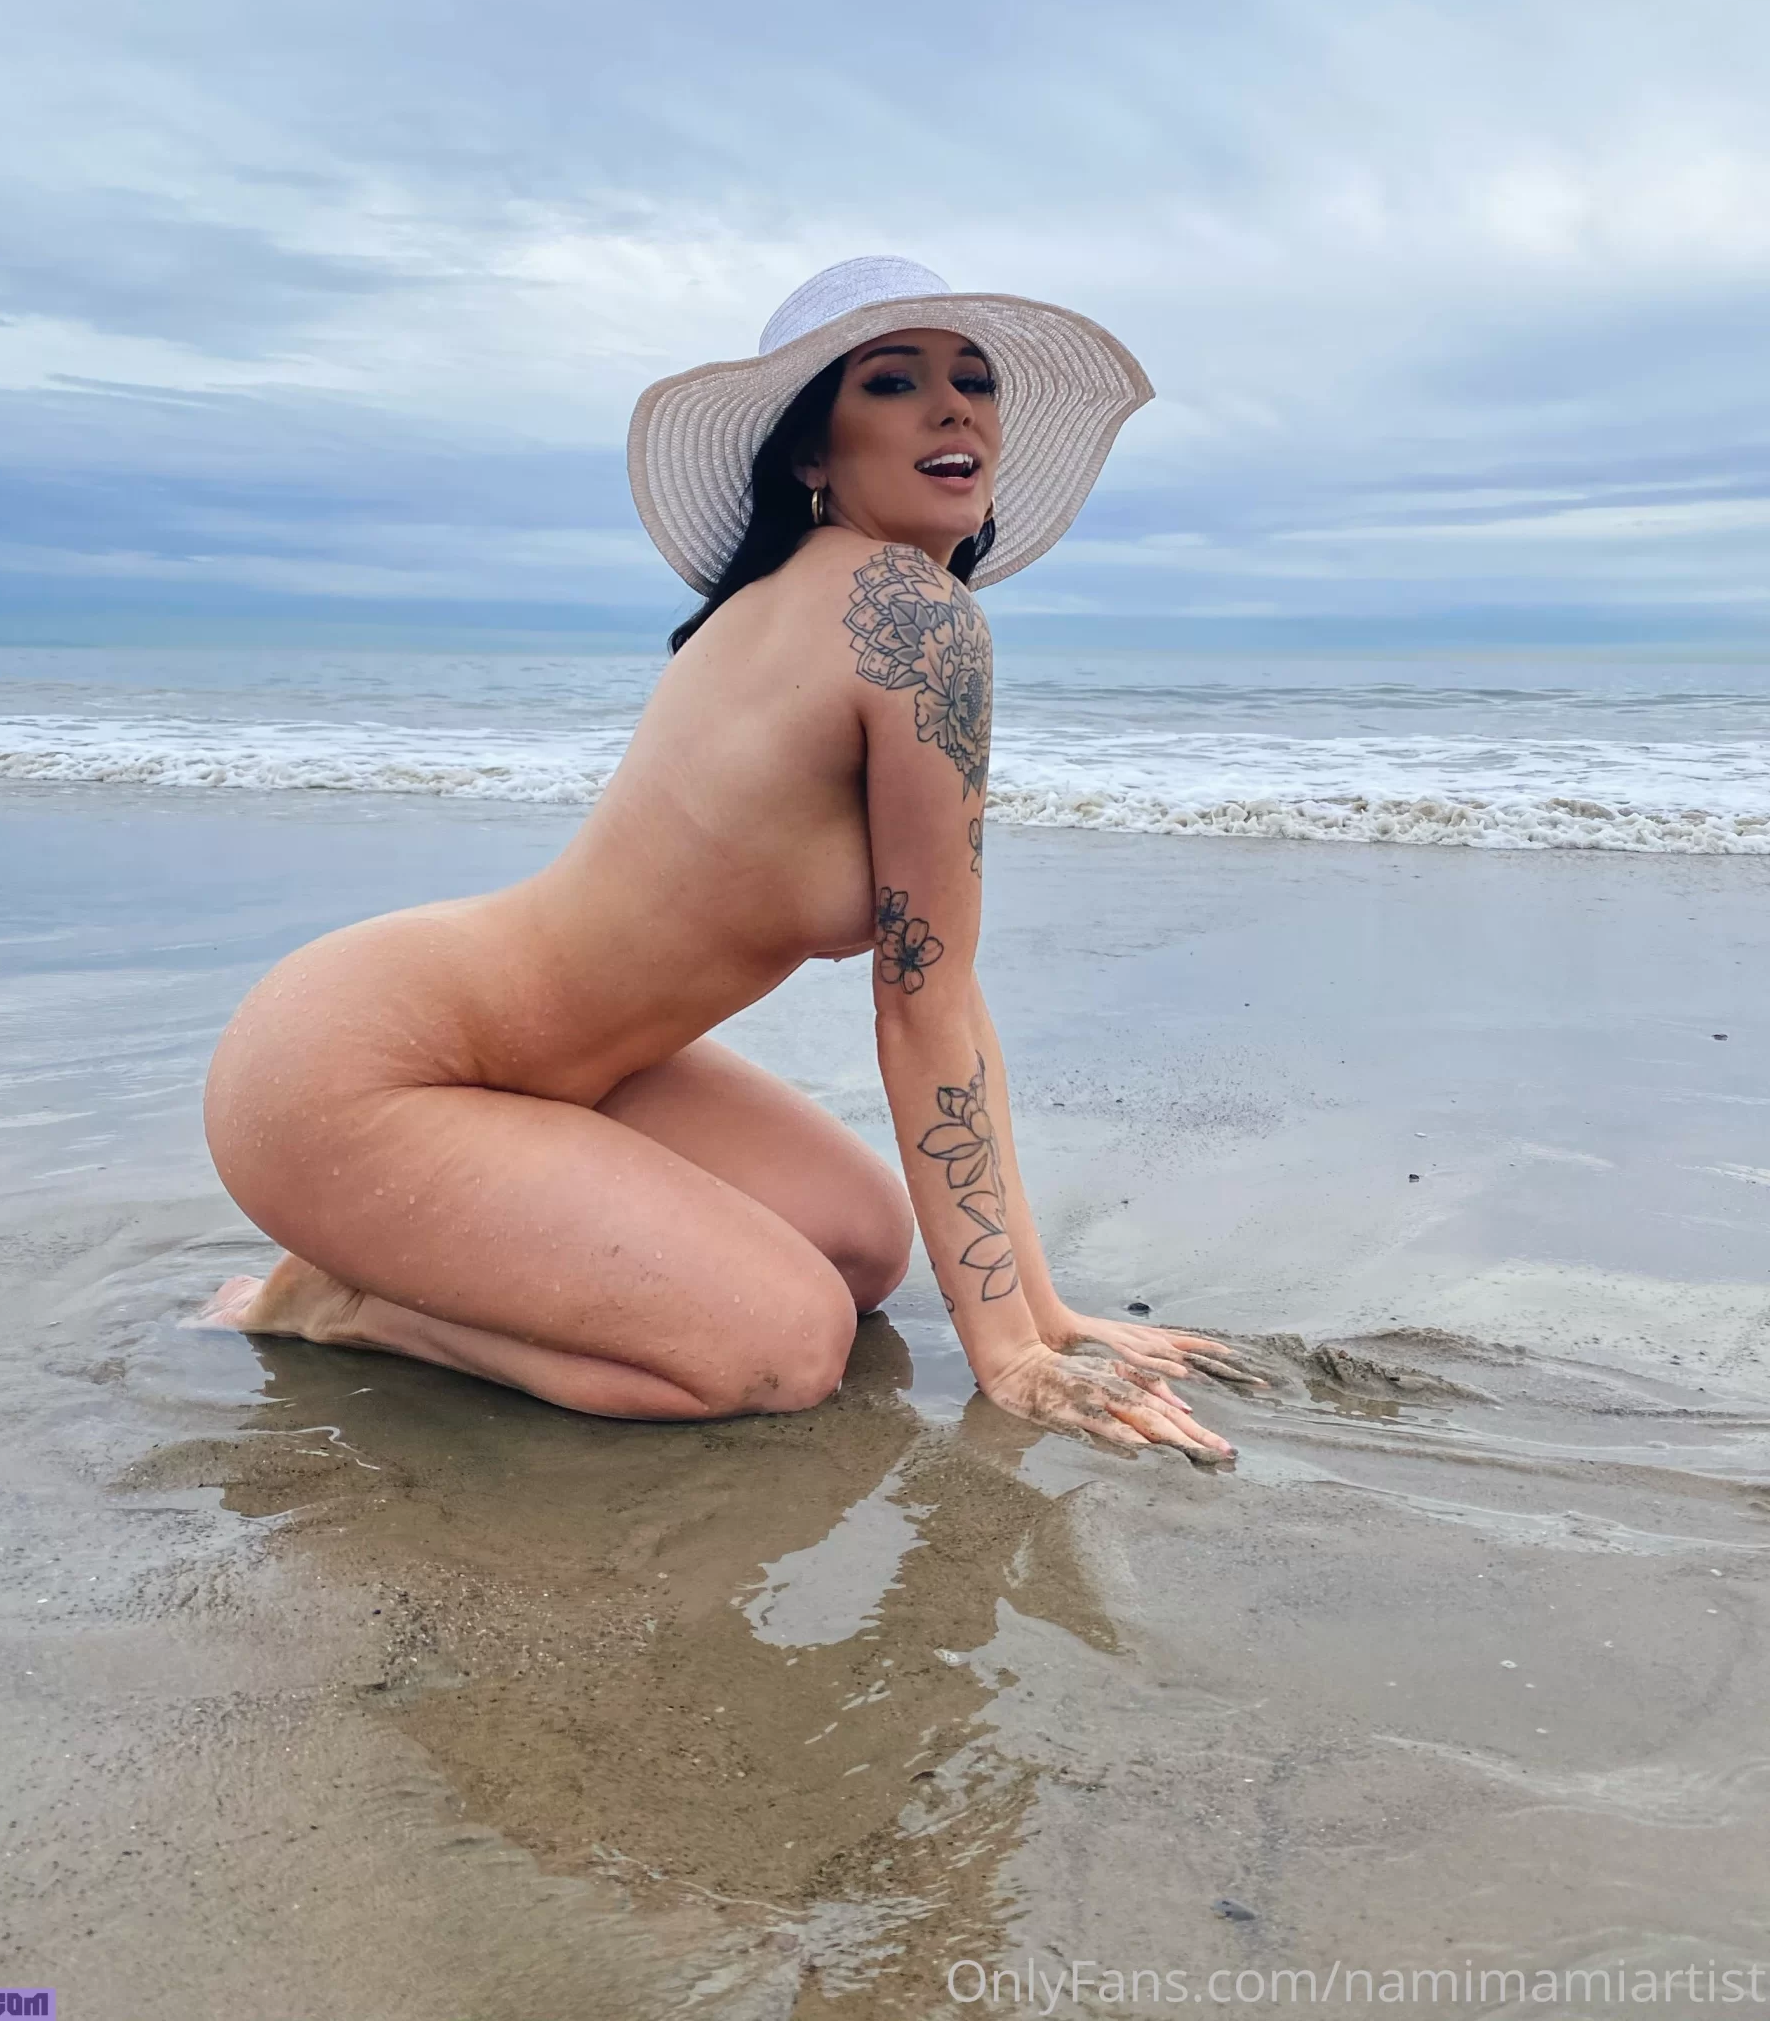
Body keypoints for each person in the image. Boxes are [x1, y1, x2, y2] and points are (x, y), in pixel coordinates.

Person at [194, 256, 1262, 1459]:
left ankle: (413, 1258)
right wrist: (1004, 1354)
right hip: (359, 1072)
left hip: (543, 1066)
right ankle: (347, 1300)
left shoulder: (839, 601)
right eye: (894, 381)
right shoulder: (912, 618)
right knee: (786, 1345)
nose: (953, 407)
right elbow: (919, 1008)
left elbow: (944, 992)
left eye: (974, 380)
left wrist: (1042, 1312)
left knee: (861, 1244)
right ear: (811, 453)